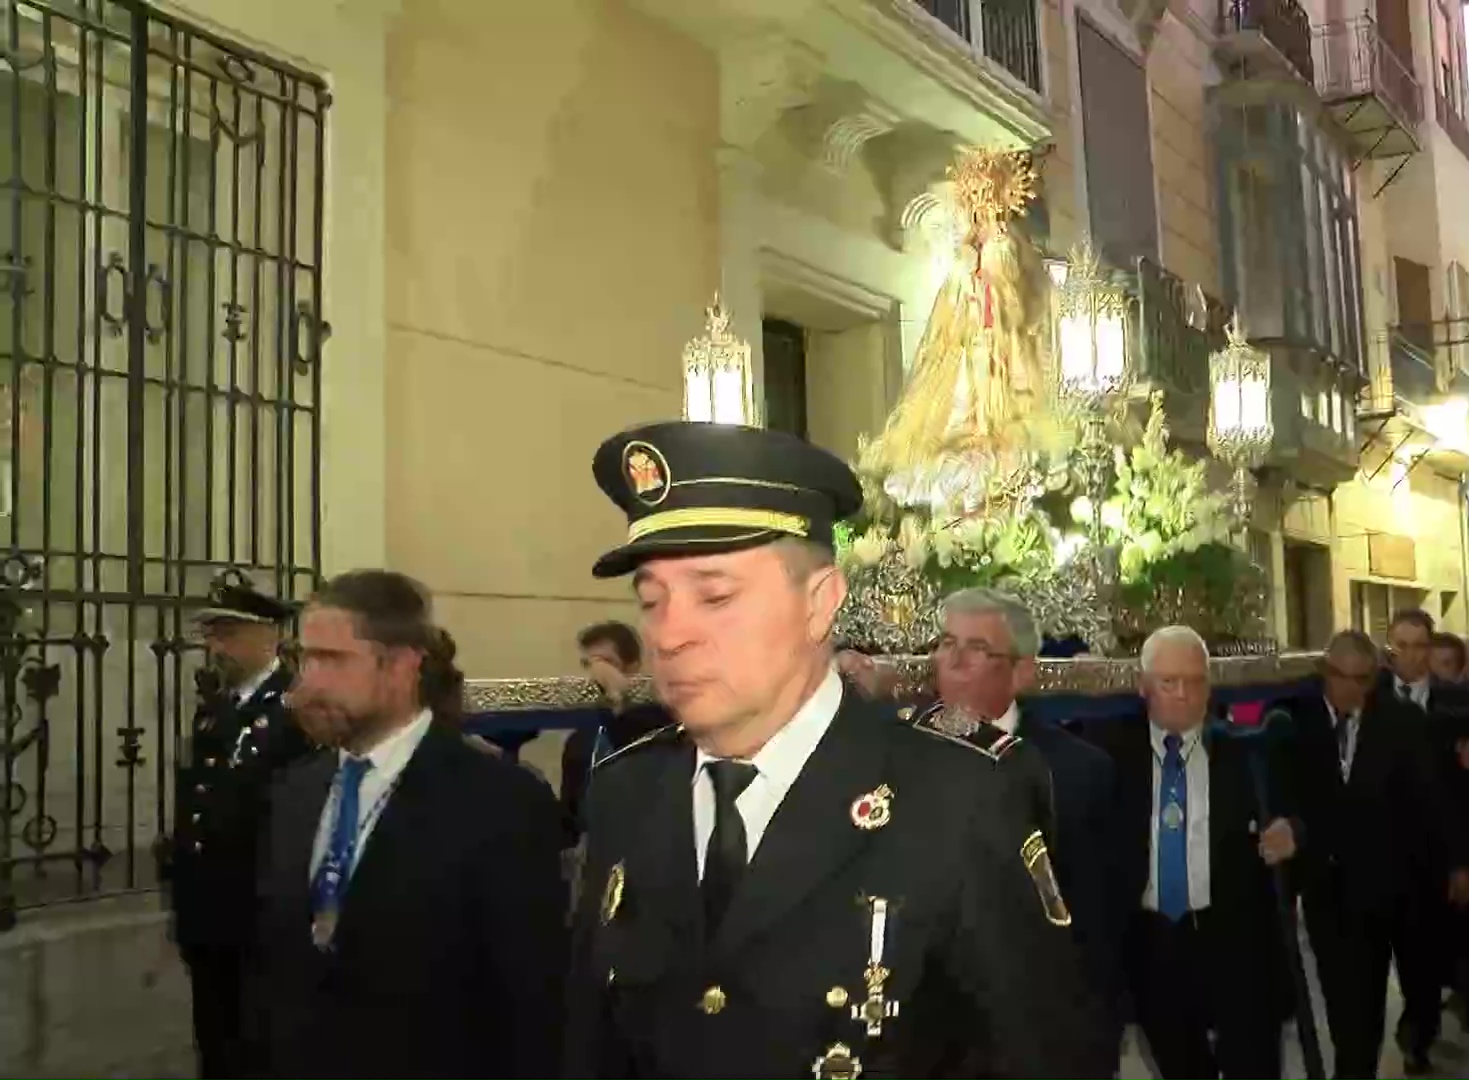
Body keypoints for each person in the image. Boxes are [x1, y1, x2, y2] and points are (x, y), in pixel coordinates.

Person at [563, 421, 1104, 1078]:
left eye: (715, 594)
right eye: (653, 599)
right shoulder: (627, 792)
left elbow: (1044, 1055)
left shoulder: (957, 799)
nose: (670, 634)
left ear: (820, 603)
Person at [250, 571, 567, 1078]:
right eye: (303, 660)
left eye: (331, 660)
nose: (304, 687)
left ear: (402, 666)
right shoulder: (294, 792)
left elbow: (530, 1005)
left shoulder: (500, 801)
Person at [925, 587, 1128, 1072]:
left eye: (975, 649)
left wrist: (1091, 1043)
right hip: (931, 1041)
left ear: (1021, 671)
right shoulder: (895, 757)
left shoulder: (1078, 772)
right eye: (946, 643)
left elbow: (1099, 931)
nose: (952, 661)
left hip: (1038, 1039)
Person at [1081, 625, 1297, 1079]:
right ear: (1144, 687)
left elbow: (1304, 813)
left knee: (1253, 1065)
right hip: (1152, 945)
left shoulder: (1247, 753)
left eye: (1196, 681)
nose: (1184, 694)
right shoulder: (1107, 757)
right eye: (1169, 682)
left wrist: (1292, 830)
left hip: (1234, 943)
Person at [1277, 631, 1456, 1078]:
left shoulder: (1404, 722)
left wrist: (1449, 868)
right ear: (1325, 672)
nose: (1351, 688)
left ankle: (1408, 1039)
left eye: (1363, 678)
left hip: (1395, 887)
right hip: (1328, 890)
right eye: (1342, 677)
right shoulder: (1294, 722)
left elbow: (1430, 803)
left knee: (1404, 986)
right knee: (1347, 1001)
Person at [165, 581, 309, 1078]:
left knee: (255, 1049)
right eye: (210, 634)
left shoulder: (294, 712)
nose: (214, 647)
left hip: (257, 914)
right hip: (208, 914)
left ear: (266, 636)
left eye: (225, 634)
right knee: (215, 1041)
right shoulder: (217, 709)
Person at [1380, 609, 1469, 1069]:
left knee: (1424, 958)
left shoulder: (1460, 705)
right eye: (1400, 646)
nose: (1410, 656)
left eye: (1419, 646)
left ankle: (1418, 1034)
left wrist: (1464, 863)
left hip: (1436, 856)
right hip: (1384, 854)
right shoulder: (1369, 700)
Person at [558, 620, 673, 849]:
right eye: (587, 664)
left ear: (633, 667)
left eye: (607, 663)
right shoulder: (580, 739)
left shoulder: (661, 724)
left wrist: (618, 699)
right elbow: (570, 816)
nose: (596, 675)